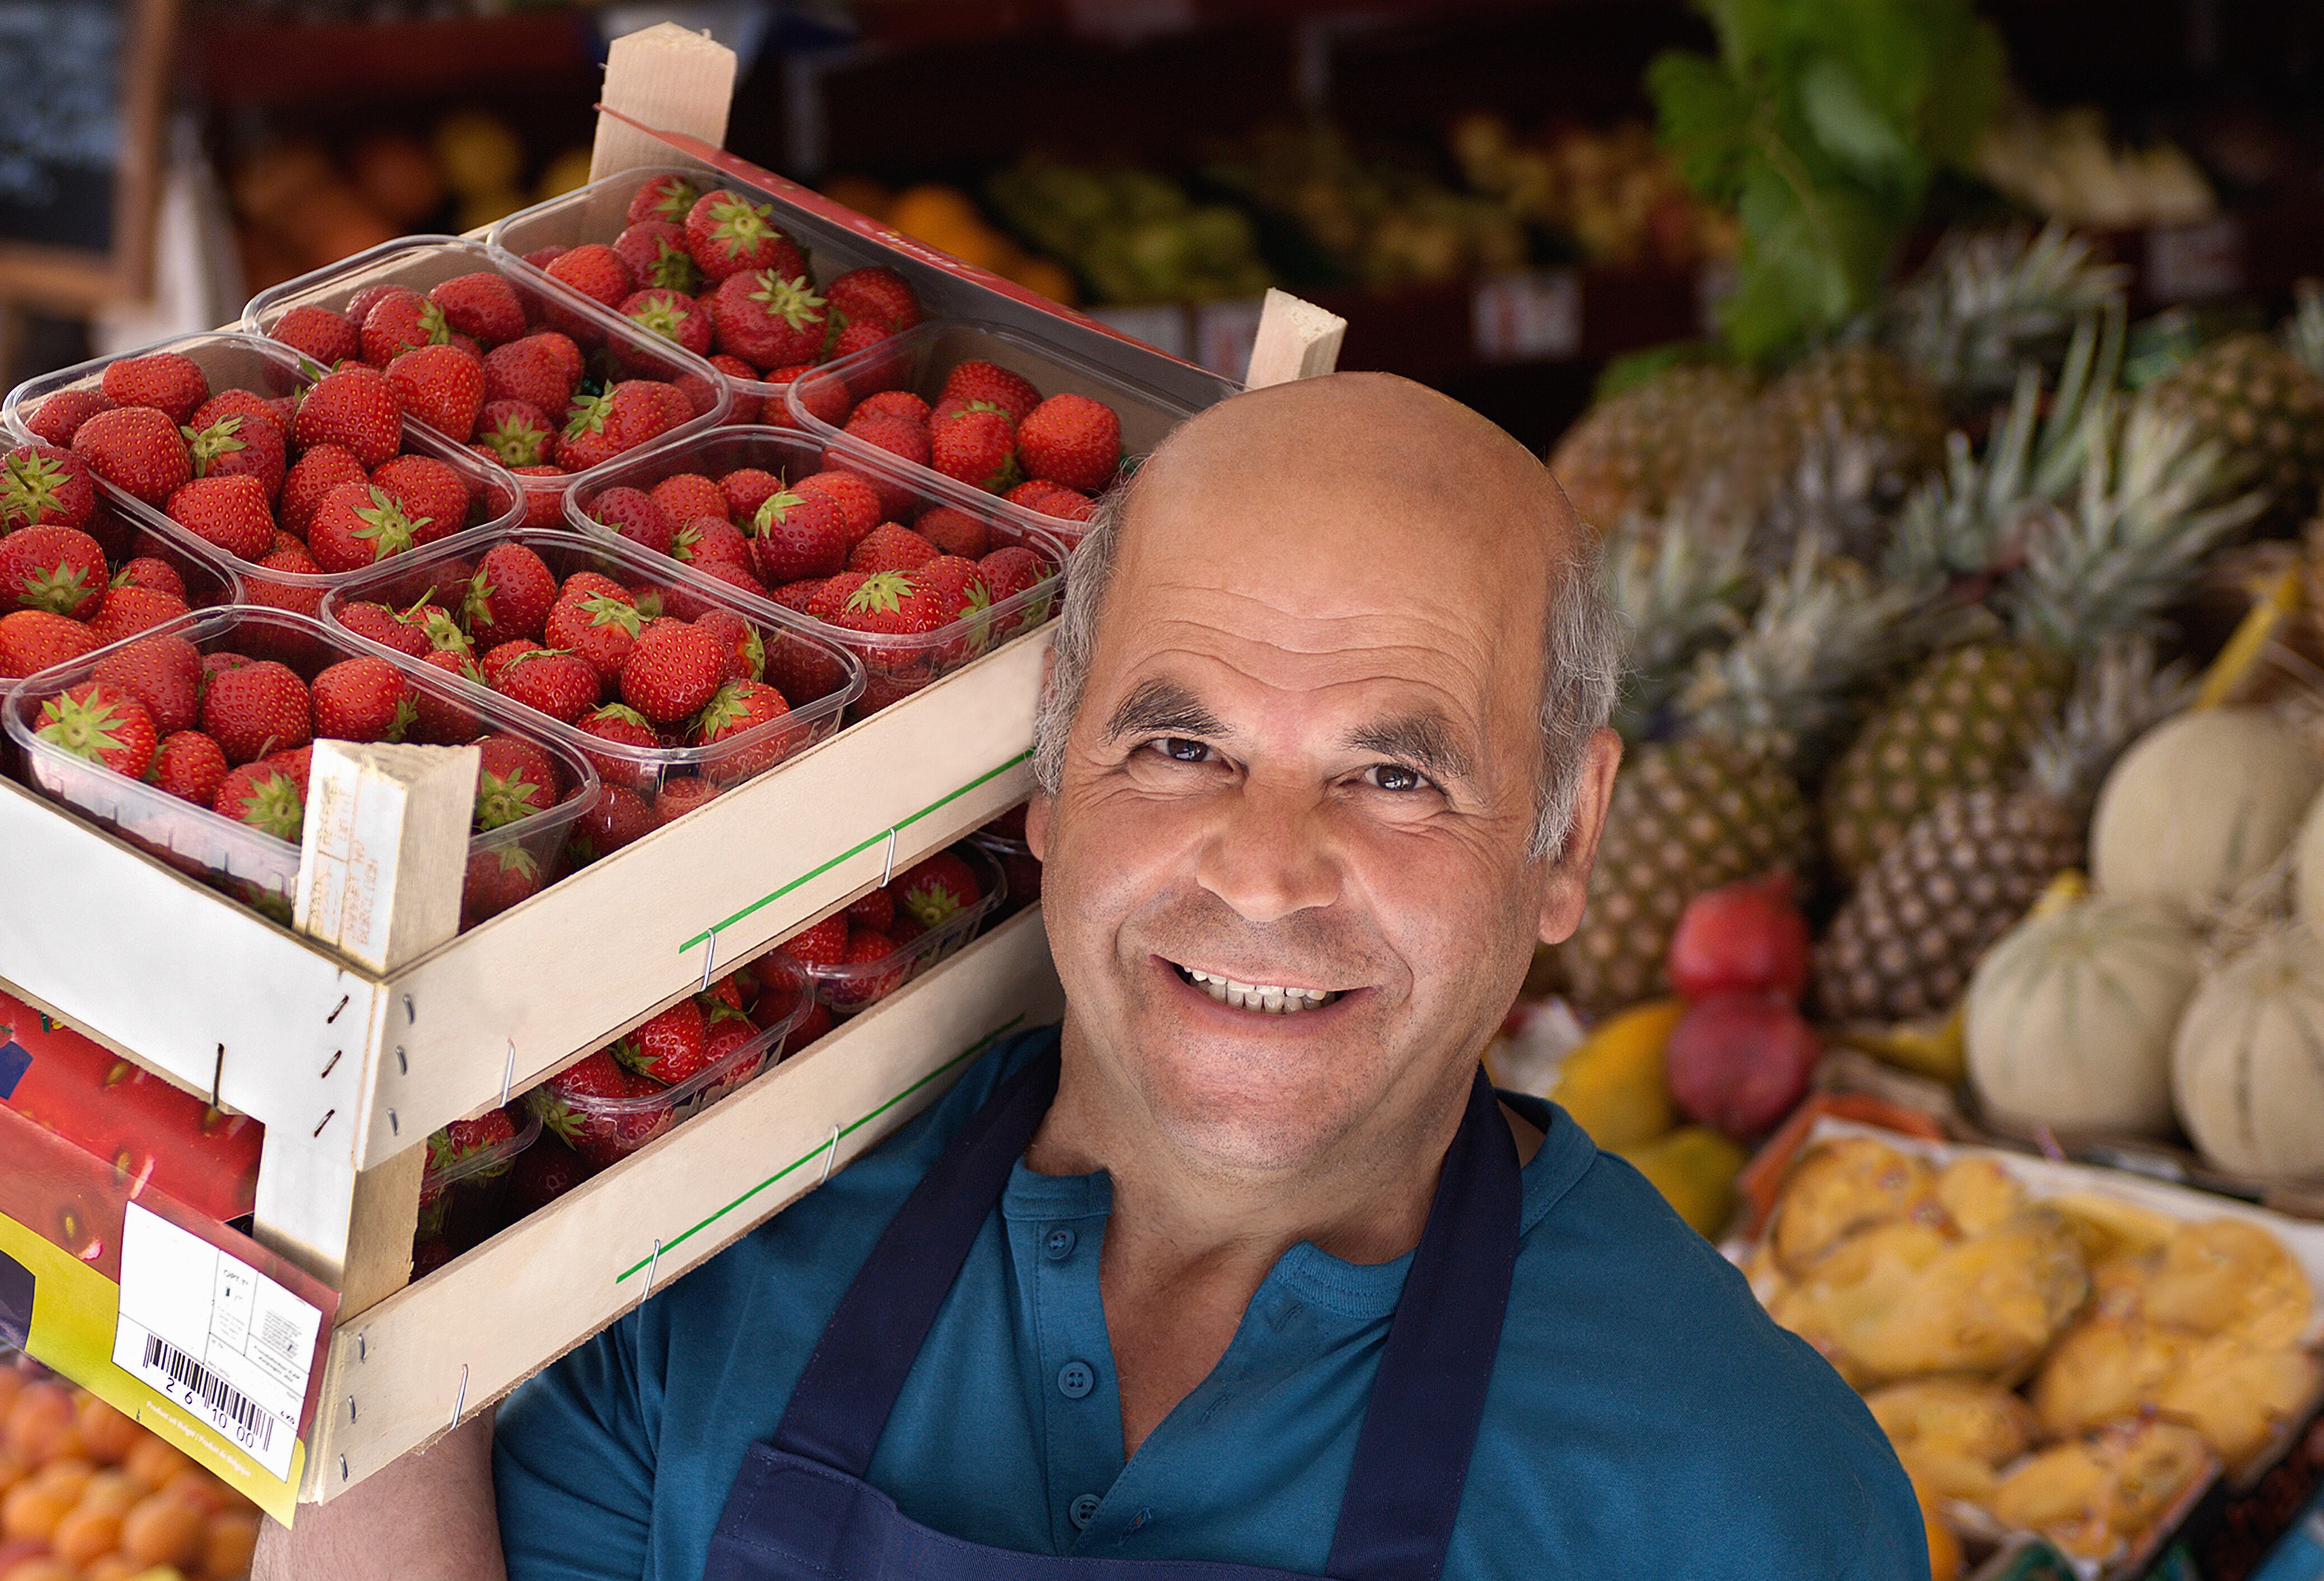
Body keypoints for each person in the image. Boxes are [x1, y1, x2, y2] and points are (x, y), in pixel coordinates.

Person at [257, 372, 1928, 1581]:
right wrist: (354, 1185)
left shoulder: (1740, 1495)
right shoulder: (701, 1274)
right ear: (1049, 781)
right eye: (1182, 746)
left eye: (1396, 775)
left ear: (1569, 839)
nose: (1264, 873)